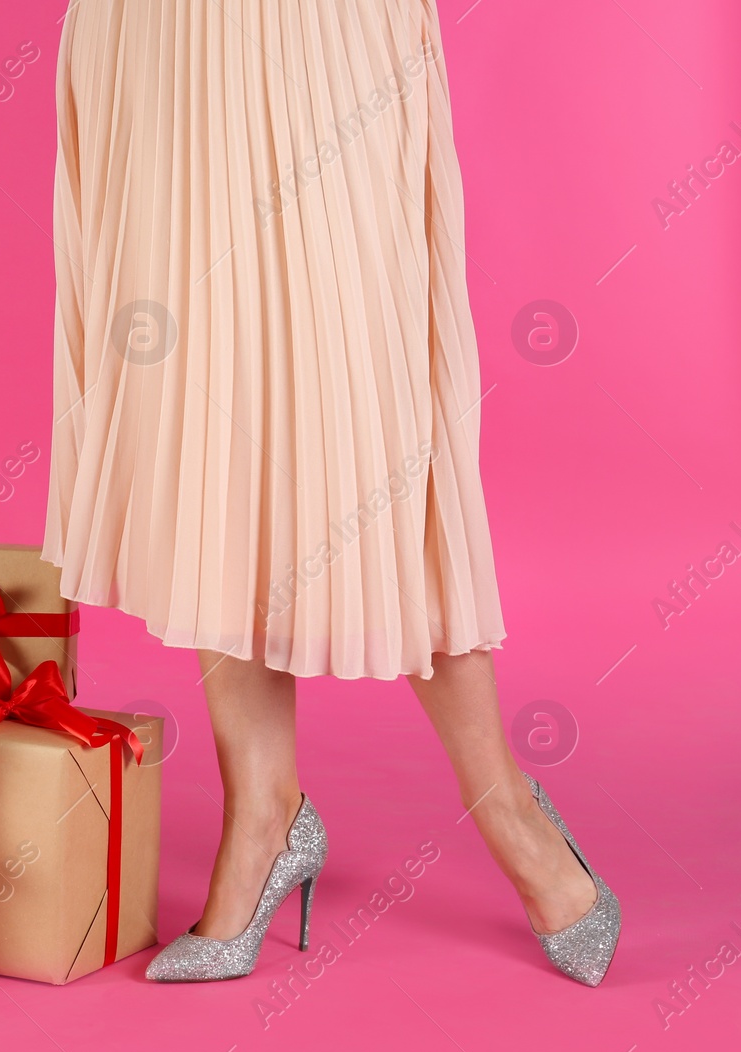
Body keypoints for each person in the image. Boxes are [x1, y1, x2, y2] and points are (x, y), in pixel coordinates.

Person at [43, 0, 619, 986]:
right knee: (202, 397)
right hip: (161, 33)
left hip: (321, 26)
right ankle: (261, 809)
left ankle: (508, 807)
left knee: (368, 419)